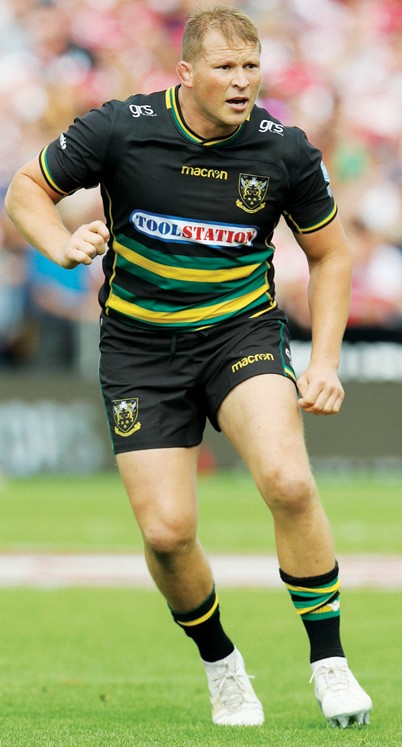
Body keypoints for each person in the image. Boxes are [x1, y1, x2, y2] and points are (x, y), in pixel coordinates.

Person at [5, 4, 372, 729]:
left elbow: (331, 254)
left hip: (240, 336)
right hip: (139, 351)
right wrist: (59, 244)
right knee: (168, 534)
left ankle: (329, 663)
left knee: (288, 480)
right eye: (225, 67)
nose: (242, 82)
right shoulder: (121, 127)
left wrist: (326, 360)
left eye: (251, 67)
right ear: (186, 72)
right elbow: (26, 190)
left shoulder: (285, 150)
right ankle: (223, 665)